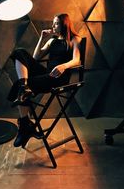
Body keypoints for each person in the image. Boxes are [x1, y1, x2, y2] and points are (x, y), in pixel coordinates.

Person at [8, 13, 81, 147]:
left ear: (64, 24)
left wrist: (64, 66)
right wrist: (41, 38)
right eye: (53, 23)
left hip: (59, 78)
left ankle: (25, 126)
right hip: (46, 75)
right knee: (19, 52)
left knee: (22, 86)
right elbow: (35, 58)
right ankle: (25, 90)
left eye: (56, 23)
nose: (53, 26)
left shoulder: (74, 39)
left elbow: (77, 60)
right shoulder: (52, 40)